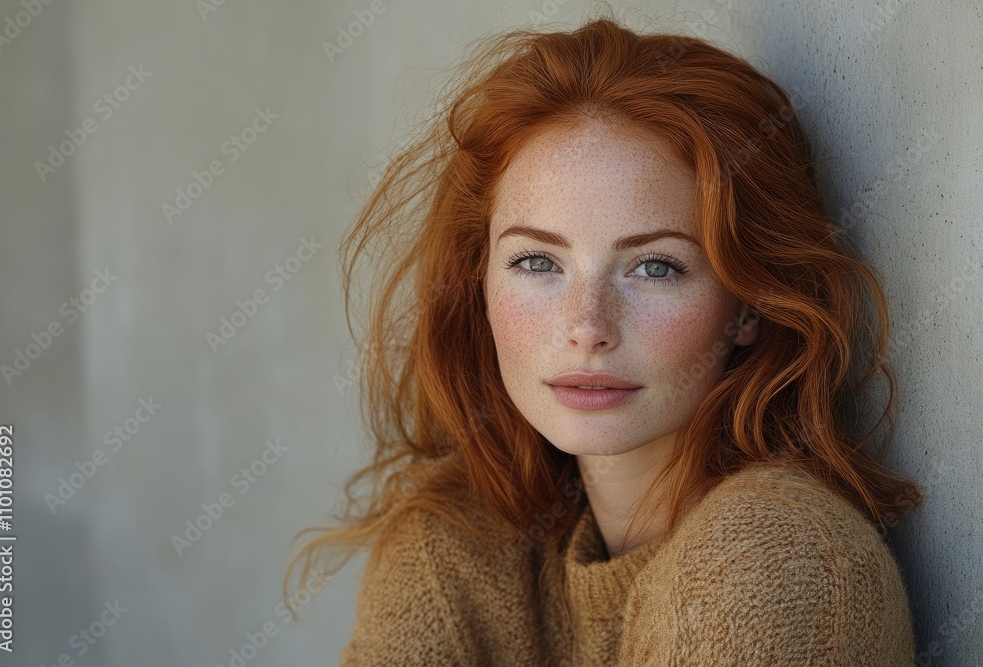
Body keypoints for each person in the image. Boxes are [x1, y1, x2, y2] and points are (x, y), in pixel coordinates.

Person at [284, 10, 923, 665]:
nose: (587, 326)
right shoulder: (460, 548)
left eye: (655, 267)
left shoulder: (778, 554)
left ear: (748, 304)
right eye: (538, 262)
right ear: (477, 279)